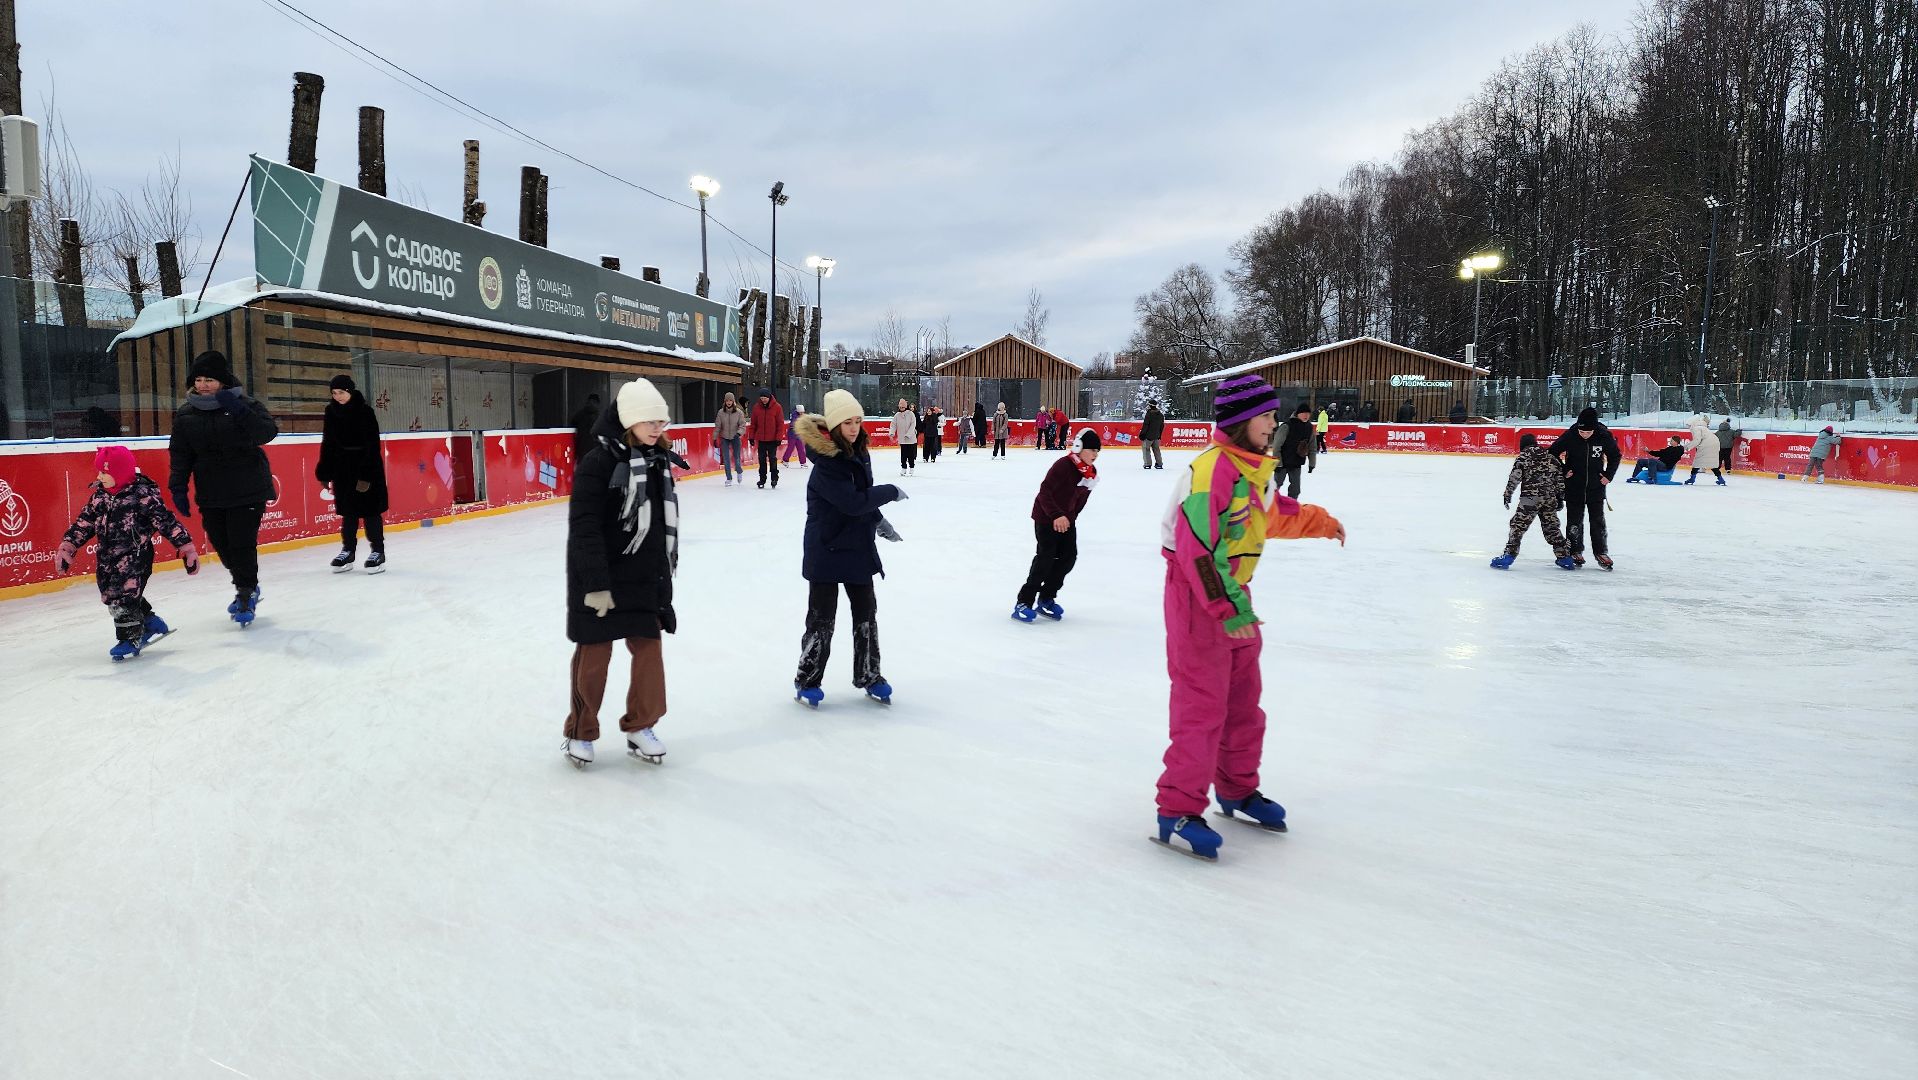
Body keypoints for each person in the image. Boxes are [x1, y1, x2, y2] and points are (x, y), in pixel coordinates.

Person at [1153, 374, 1345, 860]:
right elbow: (1198, 553)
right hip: (1200, 601)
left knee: (1243, 703)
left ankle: (1236, 789)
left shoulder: (1251, 470)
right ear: (1241, 421)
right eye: (1264, 416)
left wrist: (1321, 521)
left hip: (1233, 596)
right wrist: (1226, 607)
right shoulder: (1210, 472)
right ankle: (1177, 809)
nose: (1272, 423)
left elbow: (1274, 514)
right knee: (1202, 707)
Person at [562, 379, 679, 769]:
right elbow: (584, 527)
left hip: (642, 576)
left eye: (661, 420)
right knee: (594, 656)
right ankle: (581, 730)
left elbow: (660, 531)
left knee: (649, 650)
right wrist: (596, 584)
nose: (658, 427)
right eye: (650, 421)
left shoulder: (656, 461)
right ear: (629, 420)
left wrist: (664, 592)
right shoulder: (597, 463)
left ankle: (640, 725)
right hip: (601, 575)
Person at [793, 388, 905, 707]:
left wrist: (879, 521)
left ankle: (870, 674)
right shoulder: (827, 463)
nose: (854, 428)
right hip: (826, 548)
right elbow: (852, 501)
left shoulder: (859, 452)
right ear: (834, 425)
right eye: (847, 422)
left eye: (858, 421)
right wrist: (890, 491)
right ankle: (807, 679)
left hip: (856, 545)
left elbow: (861, 495)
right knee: (821, 619)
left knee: (866, 614)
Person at [55, 445, 201, 660]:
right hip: (107, 556)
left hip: (136, 556)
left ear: (120, 473)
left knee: (122, 598)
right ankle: (150, 622)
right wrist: (68, 547)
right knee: (109, 592)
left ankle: (129, 638)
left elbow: (167, 522)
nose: (99, 476)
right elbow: (84, 523)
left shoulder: (142, 496)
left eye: (104, 472)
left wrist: (186, 547)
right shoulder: (100, 497)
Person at [167, 350, 279, 624]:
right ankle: (246, 583)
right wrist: (178, 487)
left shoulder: (244, 404)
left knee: (241, 543)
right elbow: (181, 454)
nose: (203, 385)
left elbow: (267, 433)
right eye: (200, 379)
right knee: (221, 542)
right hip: (212, 490)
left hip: (248, 486)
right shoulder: (186, 414)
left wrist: (239, 409)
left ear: (223, 382)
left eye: (210, 379)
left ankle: (245, 592)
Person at [1013, 429, 1101, 623]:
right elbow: (1044, 492)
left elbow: (1079, 503)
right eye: (1091, 450)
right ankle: (1024, 602)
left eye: (1097, 451)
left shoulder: (1090, 475)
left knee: (1069, 557)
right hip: (1045, 518)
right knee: (1045, 557)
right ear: (1079, 448)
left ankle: (1046, 597)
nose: (1095, 455)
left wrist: (1069, 518)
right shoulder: (1063, 465)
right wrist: (1056, 515)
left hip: (1066, 520)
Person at [316, 374, 390, 572]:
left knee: (370, 511)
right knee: (348, 513)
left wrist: (366, 475)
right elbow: (328, 442)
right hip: (343, 469)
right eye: (334, 393)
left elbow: (372, 445)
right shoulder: (331, 412)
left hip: (366, 466)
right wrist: (325, 470)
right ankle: (348, 550)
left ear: (349, 391)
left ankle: (378, 551)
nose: (337, 396)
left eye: (341, 392)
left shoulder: (365, 412)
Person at [1548, 407, 1620, 569]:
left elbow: (1615, 455)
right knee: (1574, 521)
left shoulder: (1603, 435)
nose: (1584, 434)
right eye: (1582, 432)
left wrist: (1608, 475)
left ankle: (1601, 552)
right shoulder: (1571, 434)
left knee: (1597, 521)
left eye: (1588, 432)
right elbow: (1552, 452)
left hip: (1596, 486)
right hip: (1574, 486)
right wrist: (1565, 470)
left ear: (1594, 429)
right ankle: (1574, 550)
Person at [1491, 434, 1574, 570]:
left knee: (1518, 526)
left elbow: (1514, 478)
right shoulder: (1551, 457)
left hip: (1530, 498)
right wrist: (1560, 498)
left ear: (1522, 446)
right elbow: (1559, 480)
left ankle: (1508, 556)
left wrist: (1507, 494)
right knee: (1552, 528)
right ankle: (1564, 557)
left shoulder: (1523, 457)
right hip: (1549, 498)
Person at [747, 389, 787, 489]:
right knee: (762, 460)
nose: (763, 399)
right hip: (761, 439)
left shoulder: (777, 407)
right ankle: (762, 479)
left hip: (773, 439)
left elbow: (780, 424)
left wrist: (778, 438)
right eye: (762, 398)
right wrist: (751, 437)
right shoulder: (756, 408)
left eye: (765, 398)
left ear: (769, 397)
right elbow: (753, 424)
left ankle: (774, 478)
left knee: (772, 459)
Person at [1277, 402, 1314, 497]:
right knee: (1275, 486)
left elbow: (1312, 447)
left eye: (1308, 413)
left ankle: (1291, 507)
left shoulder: (1309, 428)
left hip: (1296, 462)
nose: (1306, 415)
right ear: (1298, 414)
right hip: (1283, 462)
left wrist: (1312, 463)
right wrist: (1278, 463)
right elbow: (1277, 445)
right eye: (1303, 413)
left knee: (1296, 489)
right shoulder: (1287, 426)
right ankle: (1267, 506)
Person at [714, 392, 747, 486]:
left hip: (735, 437)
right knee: (726, 459)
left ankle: (739, 471)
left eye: (730, 400)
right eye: (727, 400)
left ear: (733, 401)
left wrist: (739, 433)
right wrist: (715, 437)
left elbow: (743, 425)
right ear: (725, 401)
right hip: (724, 437)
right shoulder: (721, 412)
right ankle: (729, 478)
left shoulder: (739, 412)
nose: (729, 402)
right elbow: (717, 426)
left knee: (736, 458)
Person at [1684, 414, 1724, 485]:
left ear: (1692, 423)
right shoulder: (1703, 427)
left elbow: (1697, 440)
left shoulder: (1696, 428)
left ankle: (1692, 479)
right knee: (1712, 463)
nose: (1688, 427)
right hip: (1715, 443)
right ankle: (1721, 479)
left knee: (1697, 462)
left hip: (1706, 444)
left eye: (1688, 425)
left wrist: (1686, 447)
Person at [569, 393, 602, 464]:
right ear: (597, 403)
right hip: (594, 449)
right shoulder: (599, 416)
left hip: (581, 448)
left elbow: (572, 426)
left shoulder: (579, 414)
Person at [890, 398, 919, 473]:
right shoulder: (897, 415)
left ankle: (911, 467)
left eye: (902, 407)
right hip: (902, 438)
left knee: (911, 454)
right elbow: (893, 425)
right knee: (903, 455)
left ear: (906, 407)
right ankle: (903, 468)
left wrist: (909, 434)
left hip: (910, 438)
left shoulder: (911, 414)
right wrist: (892, 432)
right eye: (900, 407)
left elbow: (913, 424)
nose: (901, 408)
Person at [781, 402, 809, 469]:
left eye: (803, 412)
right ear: (798, 411)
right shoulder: (794, 416)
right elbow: (793, 424)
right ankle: (785, 460)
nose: (802, 413)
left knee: (801, 449)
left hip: (798, 435)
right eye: (801, 412)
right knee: (790, 448)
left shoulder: (802, 416)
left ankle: (803, 462)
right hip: (792, 435)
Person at [1140, 401, 1166, 470]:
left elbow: (1145, 426)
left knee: (1146, 449)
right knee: (1156, 450)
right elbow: (1162, 426)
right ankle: (1159, 464)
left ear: (1150, 405)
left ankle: (1147, 464)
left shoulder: (1149, 414)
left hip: (1148, 436)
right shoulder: (1160, 415)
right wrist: (1159, 435)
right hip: (1156, 436)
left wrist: (1142, 434)